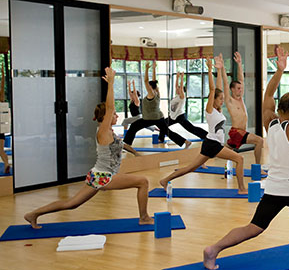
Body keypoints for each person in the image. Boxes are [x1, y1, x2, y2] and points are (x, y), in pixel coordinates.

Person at [202, 46, 289, 270]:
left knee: (254, 226)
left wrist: (280, 71)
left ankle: (213, 250)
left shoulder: (270, 122)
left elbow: (267, 96)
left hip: (273, 189)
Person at [24, 67, 152, 229]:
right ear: (105, 117)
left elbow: (121, 144)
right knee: (143, 181)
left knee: (71, 204)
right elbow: (111, 107)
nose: (116, 115)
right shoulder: (103, 131)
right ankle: (144, 217)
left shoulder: (109, 132)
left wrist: (135, 153)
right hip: (105, 176)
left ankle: (33, 214)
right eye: (113, 115)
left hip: (98, 174)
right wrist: (111, 83)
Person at [159, 55, 247, 195]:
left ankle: (165, 180)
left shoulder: (217, 110)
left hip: (210, 143)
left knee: (190, 168)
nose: (223, 101)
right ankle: (242, 189)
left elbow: (218, 89)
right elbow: (213, 90)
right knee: (239, 158)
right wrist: (210, 69)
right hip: (213, 144)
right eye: (221, 99)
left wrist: (219, 70)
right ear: (214, 100)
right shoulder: (210, 110)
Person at [123, 62, 191, 148]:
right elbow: (154, 81)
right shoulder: (157, 92)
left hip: (149, 118)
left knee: (134, 126)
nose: (147, 87)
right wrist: (154, 68)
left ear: (150, 87)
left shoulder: (151, 94)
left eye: (148, 86)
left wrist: (147, 69)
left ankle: (127, 144)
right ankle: (186, 141)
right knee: (167, 131)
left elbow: (146, 81)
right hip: (158, 118)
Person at [224, 51, 264, 165]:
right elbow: (226, 84)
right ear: (232, 89)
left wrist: (240, 63)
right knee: (260, 141)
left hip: (240, 132)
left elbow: (241, 79)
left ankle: (202, 159)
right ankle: (257, 166)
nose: (240, 90)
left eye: (241, 89)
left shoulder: (241, 99)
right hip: (237, 132)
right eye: (238, 89)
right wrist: (221, 69)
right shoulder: (230, 100)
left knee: (220, 151)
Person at [158, 71, 208, 140]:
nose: (177, 89)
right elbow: (176, 86)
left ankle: (205, 135)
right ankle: (161, 138)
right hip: (172, 117)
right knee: (163, 125)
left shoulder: (182, 97)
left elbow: (181, 88)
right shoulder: (176, 96)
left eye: (179, 88)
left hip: (180, 116)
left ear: (181, 90)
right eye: (177, 88)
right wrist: (177, 77)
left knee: (191, 129)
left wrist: (181, 78)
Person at [0, 65, 10, 174]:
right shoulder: (1, 100)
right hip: (1, 129)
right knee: (1, 150)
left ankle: (7, 164)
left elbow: (2, 87)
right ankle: (7, 164)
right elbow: (2, 87)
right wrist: (3, 74)